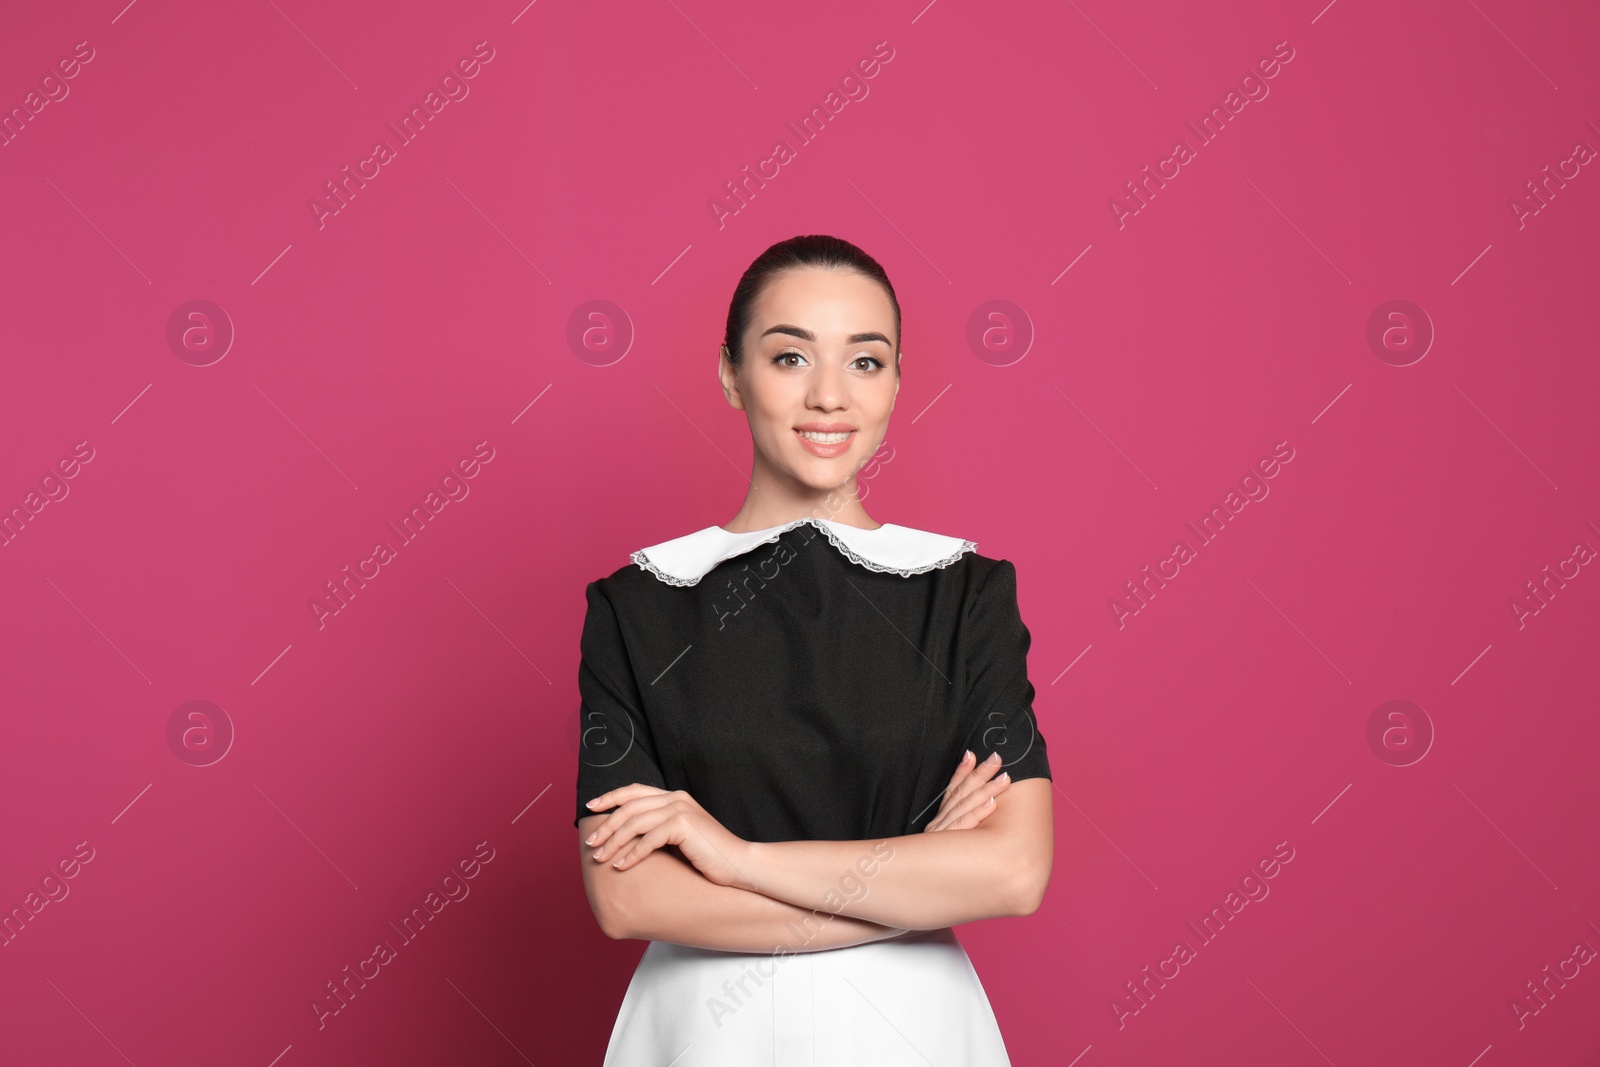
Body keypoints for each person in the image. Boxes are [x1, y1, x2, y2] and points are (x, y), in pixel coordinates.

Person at [574, 233, 1054, 1065]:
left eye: (865, 362)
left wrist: (733, 857)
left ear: (898, 382)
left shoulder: (966, 592)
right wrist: (916, 877)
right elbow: (626, 896)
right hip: (699, 1034)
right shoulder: (639, 604)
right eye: (790, 356)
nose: (830, 396)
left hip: (912, 1034)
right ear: (731, 372)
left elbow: (1013, 870)